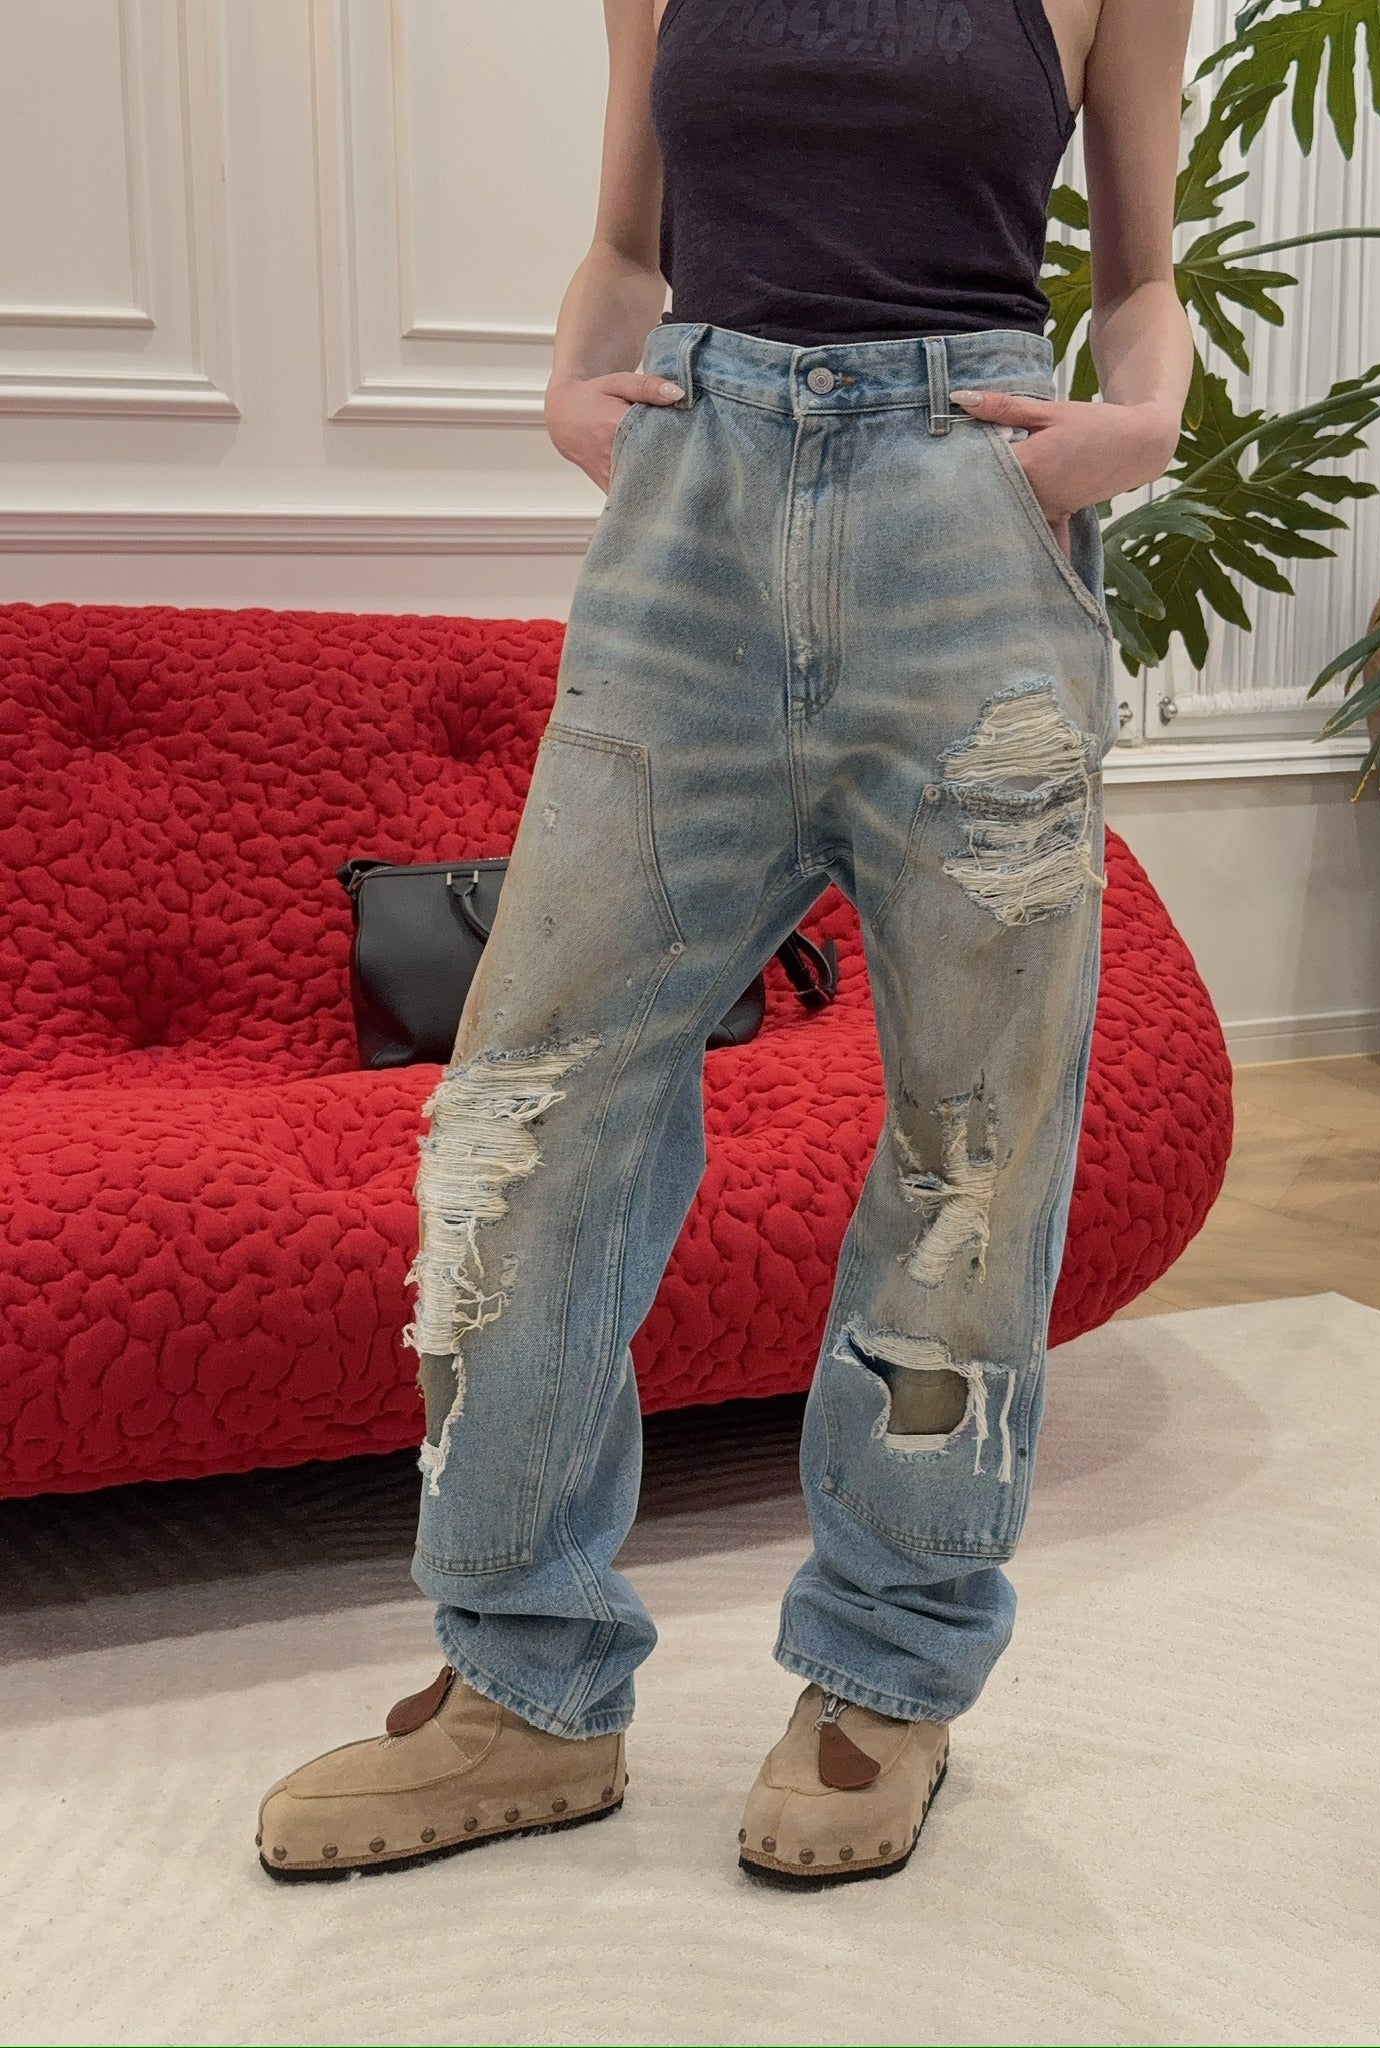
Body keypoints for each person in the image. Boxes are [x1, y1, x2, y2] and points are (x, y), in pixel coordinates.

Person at [256, 0, 1195, 1888]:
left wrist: (1145, 424)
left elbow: (1139, 273)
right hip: (693, 518)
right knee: (526, 1111)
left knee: (974, 1144)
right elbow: (628, 245)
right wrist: (571, 387)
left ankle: (889, 1674)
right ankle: (523, 1681)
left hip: (970, 524)